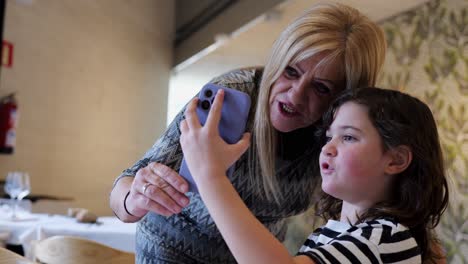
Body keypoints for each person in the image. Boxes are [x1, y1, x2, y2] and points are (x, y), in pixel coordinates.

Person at [110, 3, 386, 263]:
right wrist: (134, 199)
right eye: (290, 71)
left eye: (321, 88)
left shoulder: (337, 138)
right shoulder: (229, 97)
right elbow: (125, 187)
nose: (295, 94)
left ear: (343, 99)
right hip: (170, 251)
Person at [180, 87, 449, 263]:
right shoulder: (329, 237)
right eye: (330, 136)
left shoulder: (385, 238)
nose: (328, 148)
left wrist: (211, 177)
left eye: (348, 137)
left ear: (396, 159)